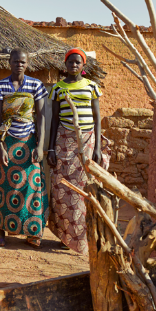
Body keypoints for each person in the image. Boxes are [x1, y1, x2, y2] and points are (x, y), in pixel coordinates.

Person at [47, 47, 110, 255]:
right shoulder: (57, 88)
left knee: (82, 188)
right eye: (70, 62)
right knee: (62, 189)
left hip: (87, 141)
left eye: (78, 62)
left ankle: (82, 238)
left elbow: (97, 118)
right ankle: (66, 237)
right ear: (65, 64)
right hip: (64, 141)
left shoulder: (92, 87)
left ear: (83, 66)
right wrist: (51, 149)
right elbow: (55, 120)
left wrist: (98, 148)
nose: (73, 65)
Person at [0, 48, 49, 248]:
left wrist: (40, 145)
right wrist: (0, 146)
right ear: (10, 62)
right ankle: (1, 231)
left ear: (27, 63)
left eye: (23, 61)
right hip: (7, 142)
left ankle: (32, 232)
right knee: (4, 185)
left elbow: (41, 117)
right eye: (16, 61)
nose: (19, 64)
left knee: (31, 186)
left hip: (29, 142)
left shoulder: (37, 85)